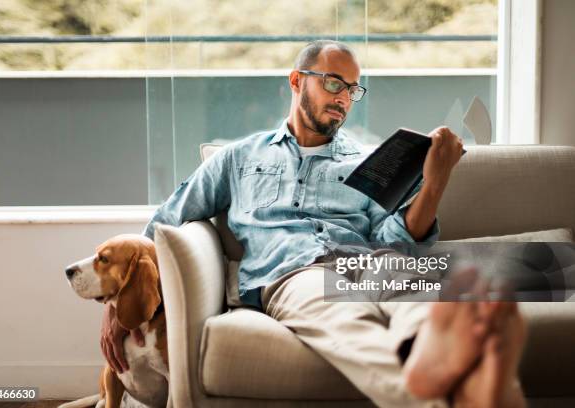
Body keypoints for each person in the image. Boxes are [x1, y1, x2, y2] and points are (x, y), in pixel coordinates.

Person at [100, 40, 526, 407]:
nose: (344, 97)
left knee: (432, 304)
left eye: (352, 89)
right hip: (295, 274)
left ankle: (467, 368)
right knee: (351, 329)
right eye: (333, 83)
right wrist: (120, 305)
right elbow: (164, 221)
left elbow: (395, 242)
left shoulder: (367, 161)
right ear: (297, 80)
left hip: (373, 265)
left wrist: (434, 184)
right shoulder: (240, 158)